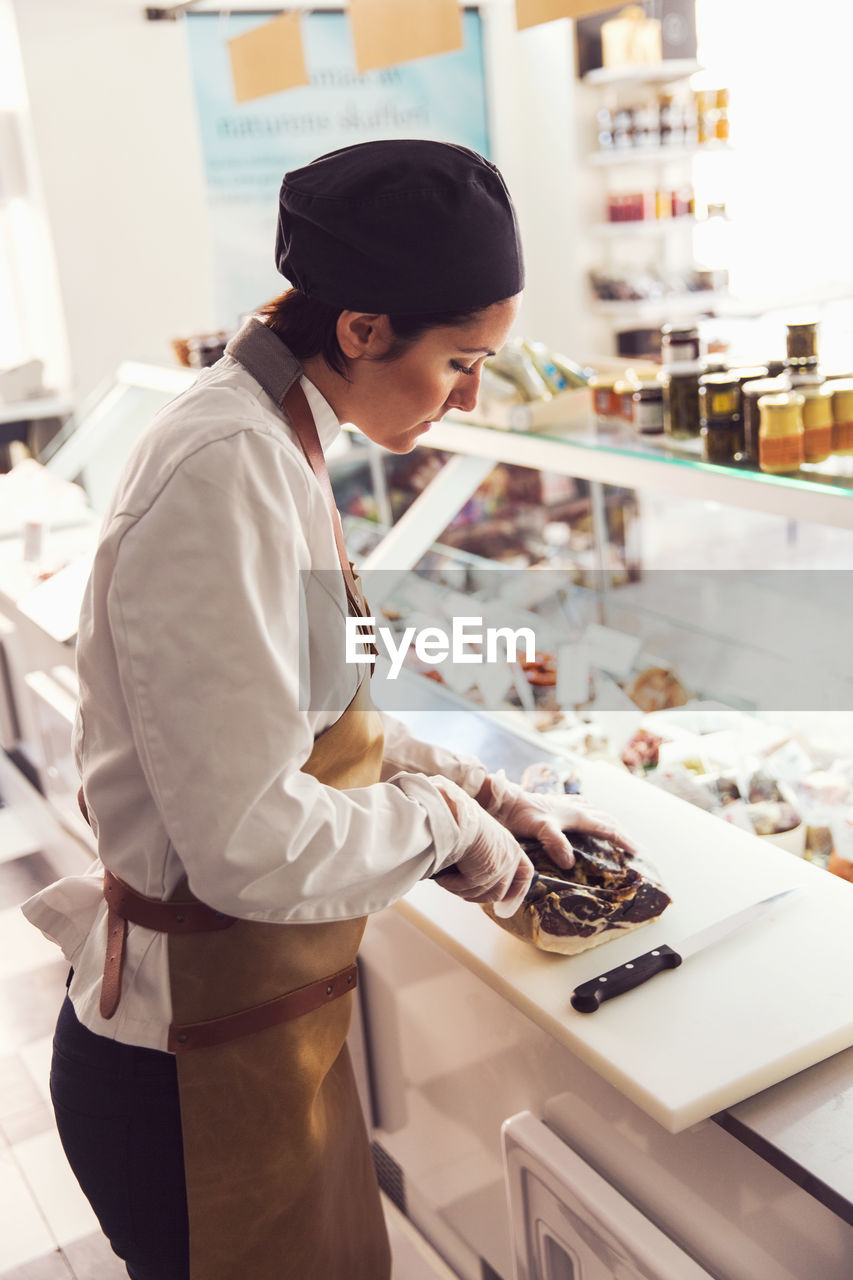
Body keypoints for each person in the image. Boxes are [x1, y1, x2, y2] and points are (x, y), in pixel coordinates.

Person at [22, 140, 634, 1280]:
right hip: (179, 1080)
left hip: (252, 1041)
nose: (472, 396)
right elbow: (248, 845)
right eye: (461, 360)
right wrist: (450, 832)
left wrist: (472, 785)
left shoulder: (279, 437)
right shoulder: (225, 470)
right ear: (359, 328)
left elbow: (312, 702)